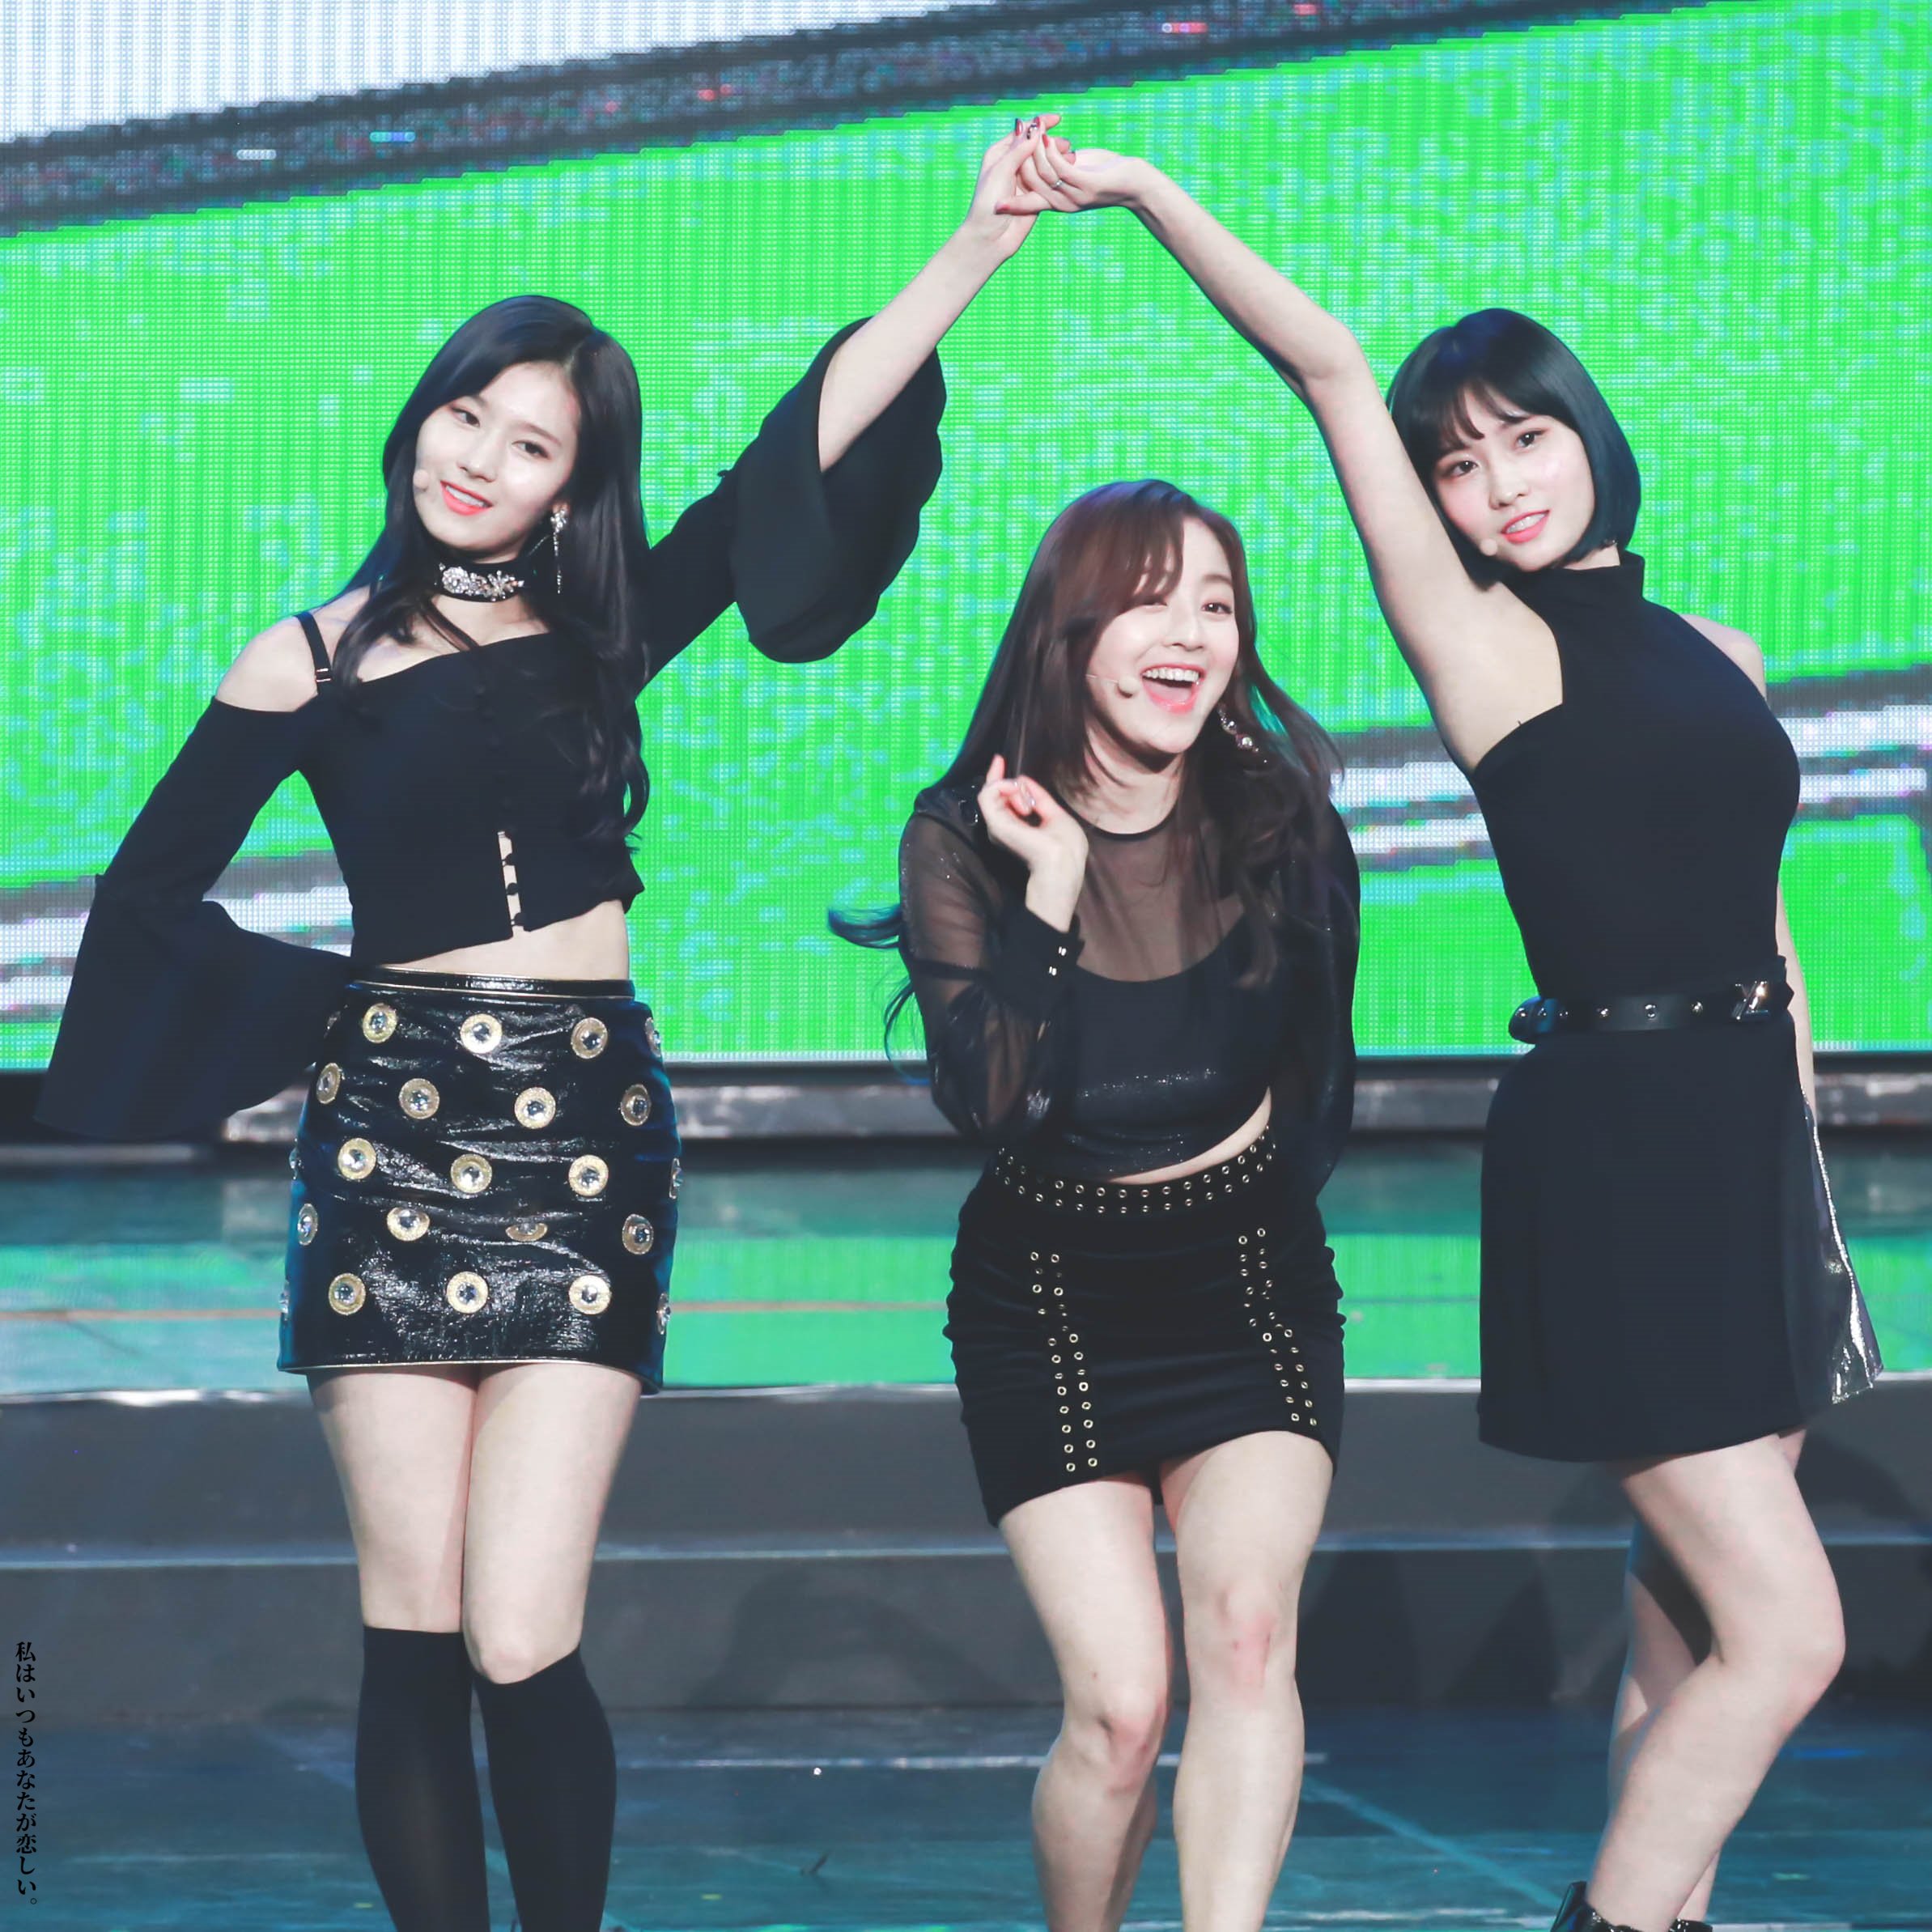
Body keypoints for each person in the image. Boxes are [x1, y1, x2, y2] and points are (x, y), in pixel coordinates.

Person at [37, 117, 1064, 1932]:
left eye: (532, 444)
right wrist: (338, 1019)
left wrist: (976, 247)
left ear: (567, 490)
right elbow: (142, 906)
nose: (482, 458)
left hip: (586, 1134)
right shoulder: (306, 658)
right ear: (418, 420)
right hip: (390, 1142)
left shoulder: (607, 628)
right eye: (468, 416)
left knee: (524, 1629)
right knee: (415, 1626)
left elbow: (798, 453)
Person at [994, 138, 1883, 1932]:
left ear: (1587, 432)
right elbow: (1329, 366)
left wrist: (1812, 1194)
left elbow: (1768, 928)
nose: (1497, 487)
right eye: (1457, 466)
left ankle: (1674, 1908)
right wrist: (1154, 194)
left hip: (1749, 1150)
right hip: (1616, 1144)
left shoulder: (1718, 647)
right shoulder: (1481, 644)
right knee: (1792, 1631)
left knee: (1689, 1625)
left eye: (1522, 440)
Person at [839, 478, 1358, 1932]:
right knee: (1123, 1712)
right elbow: (995, 1099)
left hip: (1246, 1282)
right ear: (1069, 630)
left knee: (1246, 1640)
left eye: (1217, 604)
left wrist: (1249, 1217)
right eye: (1149, 601)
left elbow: (1321, 1079)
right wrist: (1053, 893)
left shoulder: (1282, 821)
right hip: (1053, 1305)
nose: (1190, 634)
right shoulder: (964, 834)